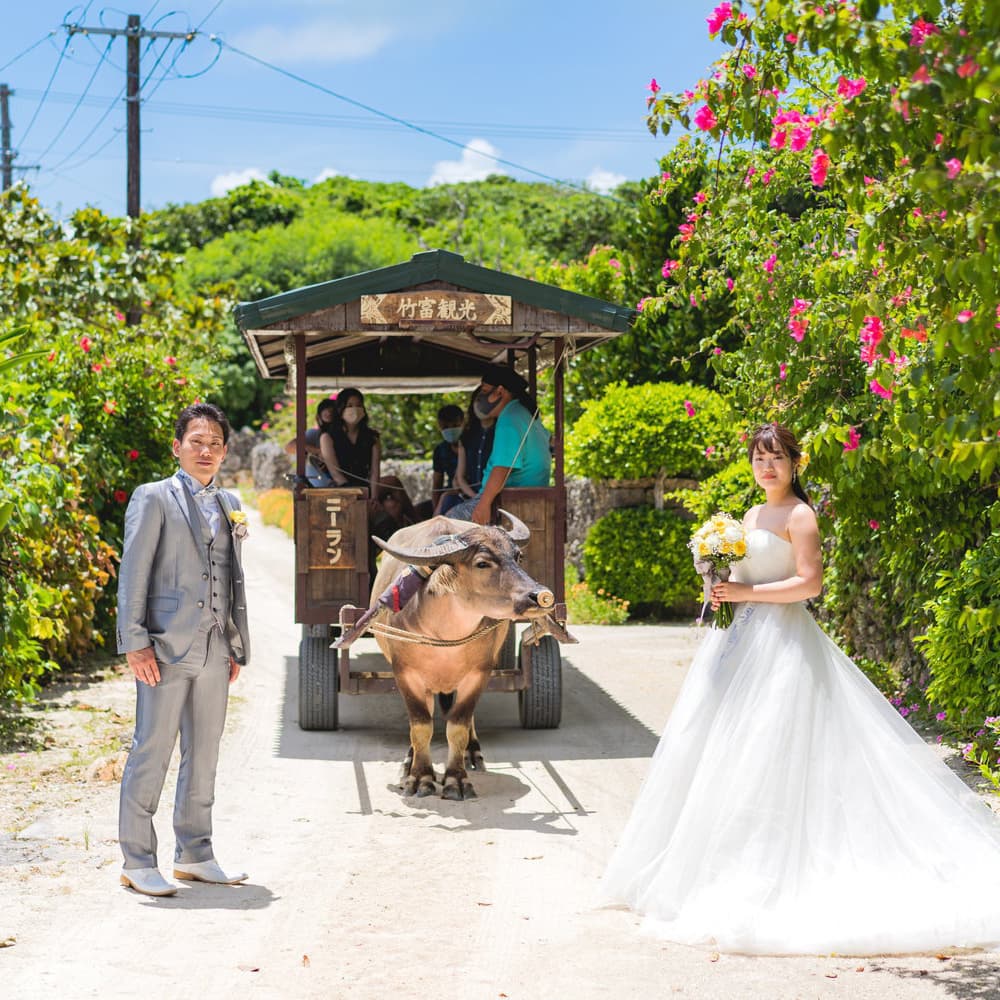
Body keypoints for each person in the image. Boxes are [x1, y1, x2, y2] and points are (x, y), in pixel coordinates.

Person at [601, 422, 1000, 955]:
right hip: (738, 642)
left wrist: (747, 590)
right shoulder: (748, 515)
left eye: (776, 459)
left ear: (794, 464)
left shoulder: (801, 515)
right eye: (759, 459)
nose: (767, 467)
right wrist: (721, 588)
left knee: (772, 750)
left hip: (783, 645)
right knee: (722, 752)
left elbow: (810, 583)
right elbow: (746, 576)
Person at [116, 403, 251, 897]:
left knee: (206, 753)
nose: (206, 450)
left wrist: (235, 641)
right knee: (151, 749)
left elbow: (231, 578)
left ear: (224, 451)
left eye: (215, 443)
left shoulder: (229, 501)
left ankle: (195, 853)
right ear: (177, 447)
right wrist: (135, 642)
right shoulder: (153, 498)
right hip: (165, 645)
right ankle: (137, 859)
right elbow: (133, 573)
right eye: (197, 441)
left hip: (217, 646)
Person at [446, 365, 550, 525]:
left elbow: (502, 468)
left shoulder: (509, 418)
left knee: (447, 523)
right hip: (526, 494)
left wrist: (483, 505)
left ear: (500, 392)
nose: (480, 397)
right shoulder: (521, 412)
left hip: (509, 499)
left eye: (484, 390)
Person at [318, 387, 382, 501]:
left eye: (358, 405)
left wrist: (374, 499)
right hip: (341, 491)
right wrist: (357, 496)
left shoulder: (372, 437)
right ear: (340, 409)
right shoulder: (327, 437)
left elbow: (375, 472)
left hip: (366, 488)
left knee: (392, 506)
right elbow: (336, 475)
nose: (355, 409)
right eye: (350, 406)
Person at [285, 397, 337, 487]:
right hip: (318, 488)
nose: (329, 413)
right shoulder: (315, 434)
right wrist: (317, 451)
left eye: (333, 413)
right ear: (318, 417)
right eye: (326, 412)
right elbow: (290, 447)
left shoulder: (346, 435)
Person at [430, 403, 464, 515]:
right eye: (445, 427)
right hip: (448, 496)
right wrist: (436, 510)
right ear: (439, 427)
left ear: (463, 423)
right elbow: (437, 484)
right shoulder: (440, 450)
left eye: (454, 425)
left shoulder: (472, 446)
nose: (450, 430)